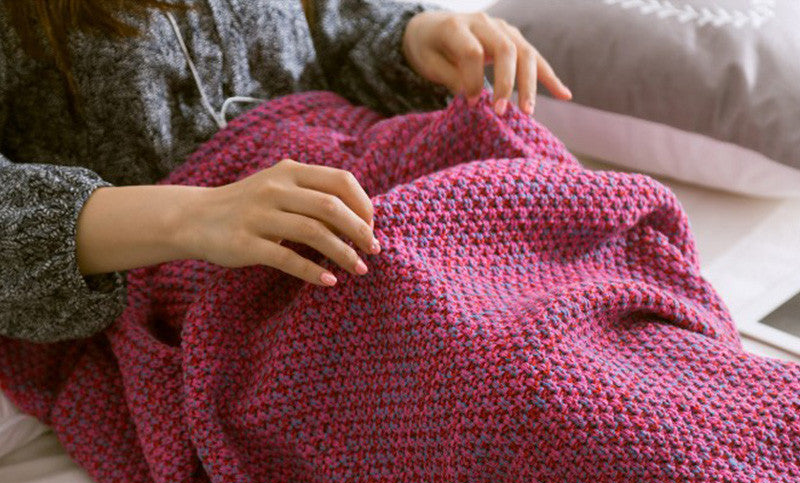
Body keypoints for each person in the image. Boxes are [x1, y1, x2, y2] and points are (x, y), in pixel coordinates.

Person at [0, 0, 572, 343]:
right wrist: (195, 214)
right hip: (209, 270)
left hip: (369, 158)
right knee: (474, 342)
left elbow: (336, 26)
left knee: (566, 233)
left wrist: (414, 38)